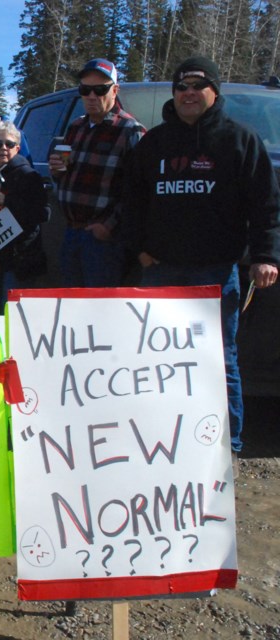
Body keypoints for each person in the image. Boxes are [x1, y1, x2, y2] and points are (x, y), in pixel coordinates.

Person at [123, 56, 280, 455]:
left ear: (214, 91)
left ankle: (227, 446)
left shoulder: (239, 140)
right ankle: (161, 442)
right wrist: (140, 250)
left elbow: (266, 205)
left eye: (197, 85)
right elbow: (132, 202)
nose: (188, 93)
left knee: (218, 361)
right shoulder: (153, 144)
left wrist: (266, 256)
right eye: (181, 87)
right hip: (161, 270)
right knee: (157, 361)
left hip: (216, 271)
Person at [48, 58, 145, 287]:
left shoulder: (130, 131)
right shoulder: (76, 127)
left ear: (115, 90)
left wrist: (109, 227)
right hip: (71, 232)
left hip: (104, 241)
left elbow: (138, 192)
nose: (92, 96)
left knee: (100, 309)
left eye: (100, 90)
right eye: (85, 90)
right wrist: (57, 171)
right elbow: (64, 177)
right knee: (72, 307)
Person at [0, 121, 49, 314]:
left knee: (13, 316)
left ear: (18, 148)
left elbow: (43, 213)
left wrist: (8, 200)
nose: (3, 148)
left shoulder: (29, 175)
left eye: (9, 144)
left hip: (20, 260)